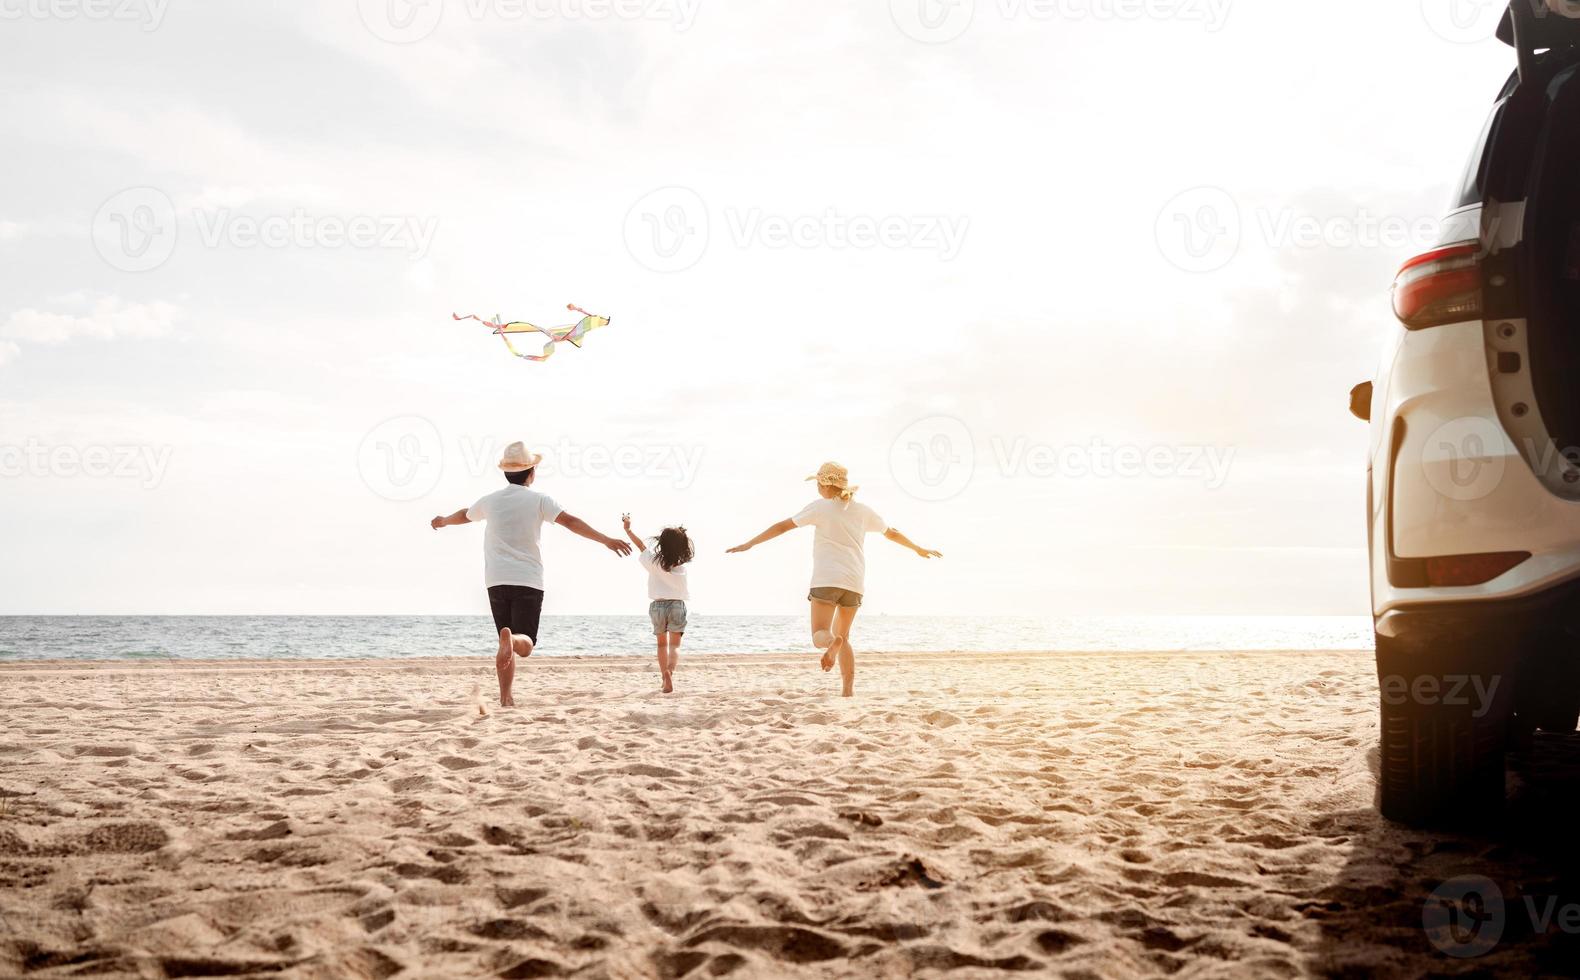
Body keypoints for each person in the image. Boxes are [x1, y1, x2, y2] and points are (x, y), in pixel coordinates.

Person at [431, 442, 631, 707]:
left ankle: (506, 697)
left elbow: (465, 515)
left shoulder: (490, 500)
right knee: (523, 644)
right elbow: (570, 522)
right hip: (527, 579)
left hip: (496, 580)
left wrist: (442, 521)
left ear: (506, 473)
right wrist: (605, 539)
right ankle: (511, 640)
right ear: (531, 472)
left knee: (506, 646)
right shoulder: (539, 500)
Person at [726, 462, 942, 697]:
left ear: (826, 485)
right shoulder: (863, 510)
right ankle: (847, 691)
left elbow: (782, 527)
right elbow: (892, 533)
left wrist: (750, 543)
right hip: (854, 581)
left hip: (826, 578)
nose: (817, 487)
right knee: (845, 637)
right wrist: (918, 548)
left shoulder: (821, 507)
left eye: (818, 483)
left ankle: (831, 644)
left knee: (820, 634)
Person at [622, 514, 693, 694]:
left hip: (658, 606)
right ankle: (670, 671)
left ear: (661, 544)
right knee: (674, 646)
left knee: (661, 645)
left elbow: (640, 546)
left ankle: (664, 676)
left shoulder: (653, 561)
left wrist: (628, 530)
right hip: (677, 605)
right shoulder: (681, 566)